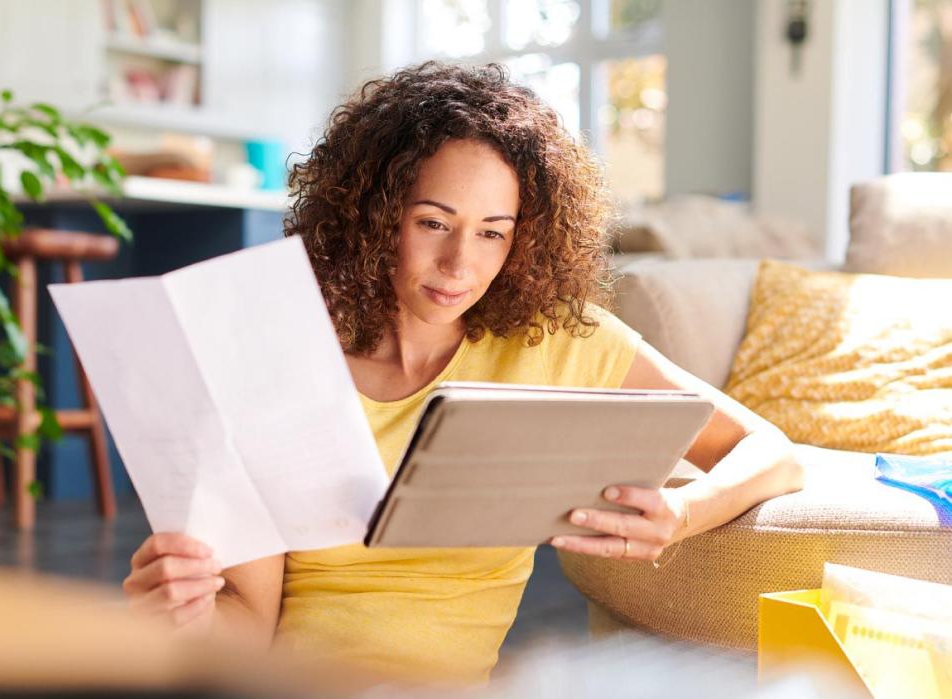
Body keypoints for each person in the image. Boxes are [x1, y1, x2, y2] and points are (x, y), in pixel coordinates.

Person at [122, 62, 803, 685]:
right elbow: (250, 623)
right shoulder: (282, 353)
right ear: (375, 215)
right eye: (433, 222)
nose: (459, 265)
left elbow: (770, 451)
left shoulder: (557, 339)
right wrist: (188, 611)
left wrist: (683, 513)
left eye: (492, 232)